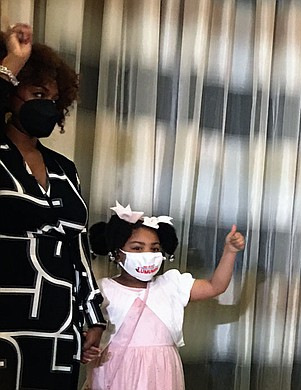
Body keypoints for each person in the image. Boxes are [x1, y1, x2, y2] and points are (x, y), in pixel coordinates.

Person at [0, 23, 106, 390]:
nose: (46, 105)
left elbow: (78, 249)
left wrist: (93, 316)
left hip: (59, 331)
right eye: (37, 92)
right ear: (12, 93)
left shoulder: (64, 169)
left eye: (54, 99)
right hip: (6, 326)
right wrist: (13, 59)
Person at [82, 202, 245, 390]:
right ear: (117, 254)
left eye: (154, 249)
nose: (148, 254)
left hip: (161, 375)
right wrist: (85, 350)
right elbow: (86, 335)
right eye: (137, 248)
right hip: (114, 373)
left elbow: (214, 286)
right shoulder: (101, 290)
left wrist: (230, 252)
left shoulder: (170, 285)